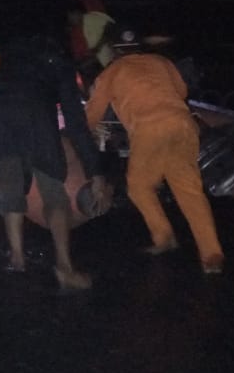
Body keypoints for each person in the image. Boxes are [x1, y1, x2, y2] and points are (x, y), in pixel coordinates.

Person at [84, 27, 225, 274]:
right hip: (182, 124)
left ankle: (164, 237)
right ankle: (211, 254)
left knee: (138, 186)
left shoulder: (112, 72)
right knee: (189, 188)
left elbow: (94, 111)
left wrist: (84, 133)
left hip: (150, 129)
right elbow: (180, 92)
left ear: (115, 50)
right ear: (139, 46)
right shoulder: (162, 61)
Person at [0, 31, 109, 289]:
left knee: (11, 185)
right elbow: (75, 123)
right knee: (54, 195)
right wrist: (96, 171)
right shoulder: (60, 64)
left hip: (0, 120)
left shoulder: (9, 56)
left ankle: (16, 257)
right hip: (37, 123)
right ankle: (64, 266)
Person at [66, 5, 116, 92]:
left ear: (78, 13)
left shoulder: (91, 19)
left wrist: (98, 46)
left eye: (71, 16)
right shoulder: (73, 30)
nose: (70, 19)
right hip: (88, 63)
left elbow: (110, 27)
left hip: (102, 60)